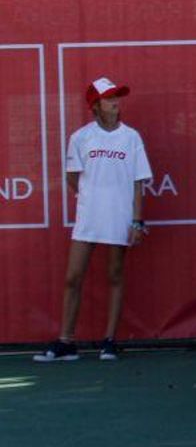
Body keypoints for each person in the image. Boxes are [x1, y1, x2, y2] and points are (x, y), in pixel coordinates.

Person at [35, 78, 152, 363]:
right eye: (109, 99)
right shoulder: (81, 137)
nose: (115, 103)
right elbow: (71, 177)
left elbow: (138, 182)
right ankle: (66, 342)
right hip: (88, 218)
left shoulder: (131, 137)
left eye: (116, 98)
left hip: (120, 218)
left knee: (115, 275)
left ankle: (109, 341)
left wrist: (137, 221)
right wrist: (93, 197)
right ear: (95, 105)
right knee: (72, 278)